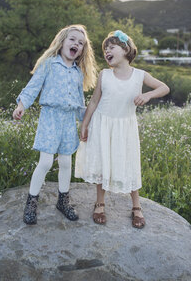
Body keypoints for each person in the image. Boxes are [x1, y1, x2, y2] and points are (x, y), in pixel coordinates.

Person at [75, 30, 169, 229]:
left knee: (129, 162)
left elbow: (164, 88)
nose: (107, 51)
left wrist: (148, 96)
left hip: (124, 127)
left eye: (111, 47)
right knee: (102, 162)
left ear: (126, 49)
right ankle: (100, 203)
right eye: (105, 49)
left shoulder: (140, 75)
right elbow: (93, 102)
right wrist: (84, 124)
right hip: (102, 125)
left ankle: (136, 206)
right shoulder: (105, 75)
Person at [13, 24, 98, 225]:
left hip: (68, 120)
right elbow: (32, 87)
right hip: (50, 117)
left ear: (82, 50)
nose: (76, 44)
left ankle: (63, 201)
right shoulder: (49, 64)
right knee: (45, 162)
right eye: (72, 40)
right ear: (61, 42)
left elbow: (79, 102)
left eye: (81, 43)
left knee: (66, 162)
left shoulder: (78, 73)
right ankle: (31, 202)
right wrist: (21, 105)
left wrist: (86, 121)